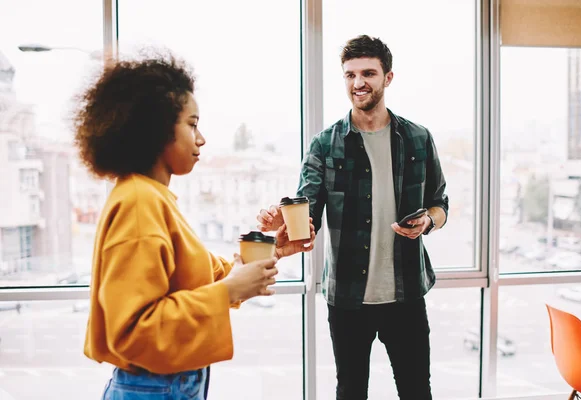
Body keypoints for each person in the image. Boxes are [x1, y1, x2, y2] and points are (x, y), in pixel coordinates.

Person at [72, 52, 315, 399]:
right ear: (156, 129)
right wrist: (229, 291)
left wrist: (270, 250)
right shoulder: (140, 203)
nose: (201, 139)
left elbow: (193, 275)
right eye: (192, 124)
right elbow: (132, 331)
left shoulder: (149, 196)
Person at [257, 35, 449, 400]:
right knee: (350, 391)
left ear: (387, 78)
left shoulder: (418, 139)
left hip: (406, 293)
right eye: (349, 75)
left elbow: (440, 203)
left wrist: (428, 222)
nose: (357, 82)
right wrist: (280, 221)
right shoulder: (325, 144)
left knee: (416, 390)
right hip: (347, 296)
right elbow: (305, 210)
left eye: (368, 73)